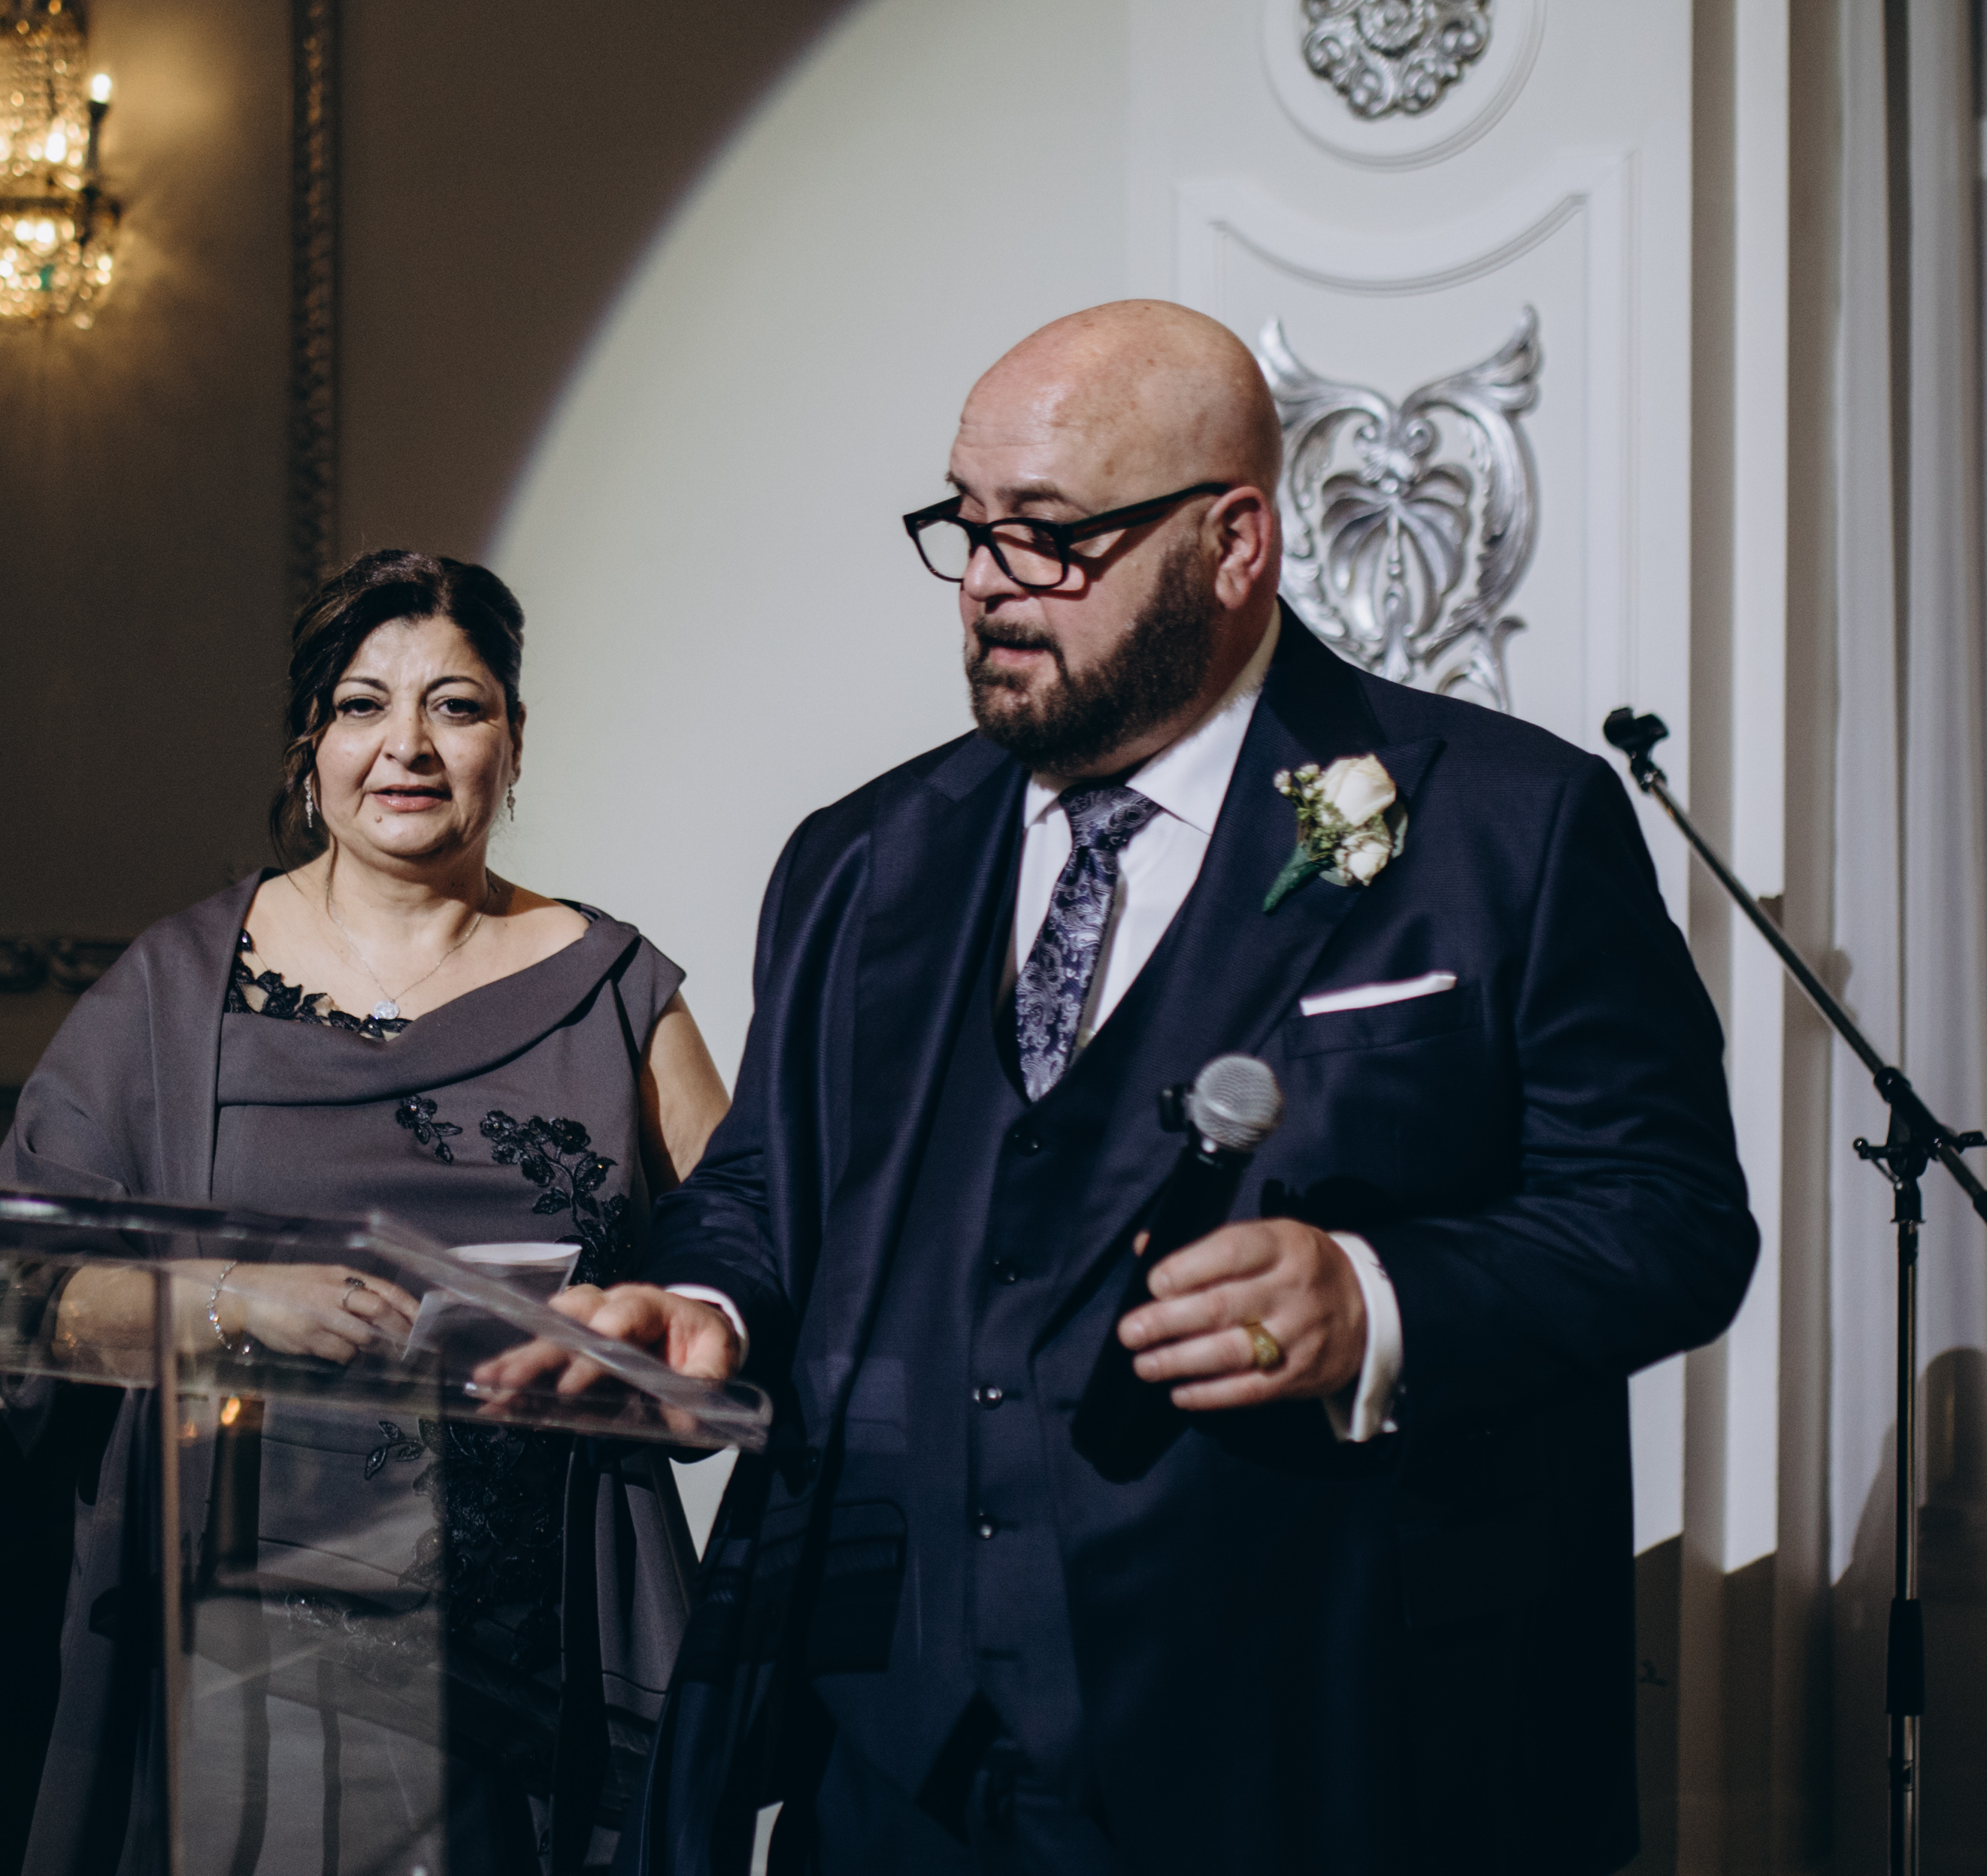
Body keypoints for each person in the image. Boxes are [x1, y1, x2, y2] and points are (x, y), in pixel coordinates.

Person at [495, 302, 1758, 1873]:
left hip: (1317, 1749)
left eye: (1048, 535)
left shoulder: (1509, 824)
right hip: (894, 1752)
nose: (987, 582)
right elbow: (770, 1179)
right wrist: (702, 1307)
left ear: (1233, 543)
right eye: (966, 525)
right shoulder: (863, 859)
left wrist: (1377, 1299)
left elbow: (1669, 1219)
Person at [0, 548, 732, 1874]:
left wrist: (646, 1327)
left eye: (457, 706)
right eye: (361, 705)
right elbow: (18, 1288)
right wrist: (226, 1302)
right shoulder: (175, 992)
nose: (408, 747)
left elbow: (744, 1256)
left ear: (514, 741)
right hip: (245, 1630)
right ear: (309, 746)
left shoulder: (618, 991)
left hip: (539, 1638)